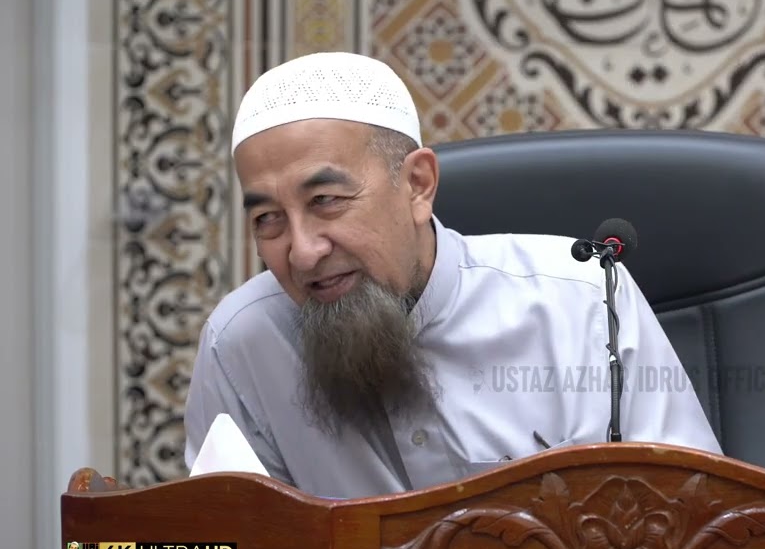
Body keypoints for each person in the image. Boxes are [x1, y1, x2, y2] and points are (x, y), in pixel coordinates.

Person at [182, 52, 722, 499]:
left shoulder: (581, 300)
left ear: (417, 184)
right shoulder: (242, 344)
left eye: (325, 201)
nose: (301, 252)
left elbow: (694, 528)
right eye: (267, 219)